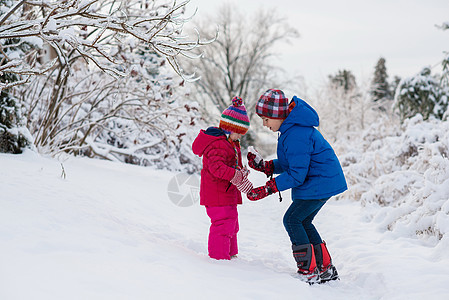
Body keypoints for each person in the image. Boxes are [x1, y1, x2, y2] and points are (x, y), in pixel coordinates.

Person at [246, 89, 347, 284]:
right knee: (303, 221)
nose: (264, 124)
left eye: (266, 119)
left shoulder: (295, 134)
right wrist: (266, 166)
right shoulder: (292, 130)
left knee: (292, 220)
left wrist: (269, 188)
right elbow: (293, 163)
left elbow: (297, 175)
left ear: (277, 115)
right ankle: (325, 269)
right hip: (321, 181)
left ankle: (308, 270)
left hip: (320, 182)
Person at [192, 96, 253, 260]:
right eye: (238, 133)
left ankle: (231, 255)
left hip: (226, 194)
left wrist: (240, 171)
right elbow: (216, 168)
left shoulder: (230, 144)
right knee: (223, 225)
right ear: (229, 128)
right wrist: (235, 174)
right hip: (216, 195)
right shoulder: (218, 144)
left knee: (232, 224)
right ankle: (219, 259)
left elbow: (230, 164)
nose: (240, 137)